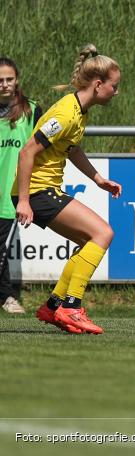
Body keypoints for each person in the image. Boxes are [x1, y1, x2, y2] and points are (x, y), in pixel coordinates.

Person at [16, 44, 122, 335]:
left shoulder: (79, 111)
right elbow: (27, 152)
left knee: (90, 240)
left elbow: (71, 148)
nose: (117, 92)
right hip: (37, 191)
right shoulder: (65, 113)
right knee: (103, 233)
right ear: (99, 84)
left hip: (41, 190)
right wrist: (24, 201)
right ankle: (71, 308)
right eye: (115, 86)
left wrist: (98, 178)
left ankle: (52, 308)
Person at [0, 56, 42, 314]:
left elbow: (44, 149)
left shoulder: (31, 111)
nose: (4, 84)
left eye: (9, 79)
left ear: (17, 81)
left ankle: (7, 297)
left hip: (10, 193)